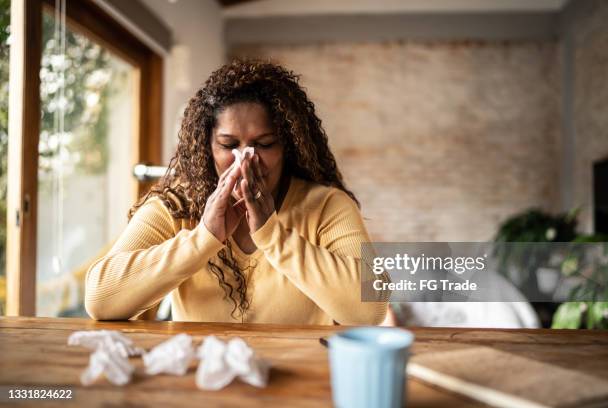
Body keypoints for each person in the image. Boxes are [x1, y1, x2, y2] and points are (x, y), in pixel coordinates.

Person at [85, 59, 388, 324]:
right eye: (229, 145)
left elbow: (371, 310)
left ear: (288, 146)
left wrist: (272, 234)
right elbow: (100, 300)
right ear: (207, 147)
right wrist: (204, 237)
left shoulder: (326, 206)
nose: (246, 159)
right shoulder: (176, 205)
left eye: (265, 143)